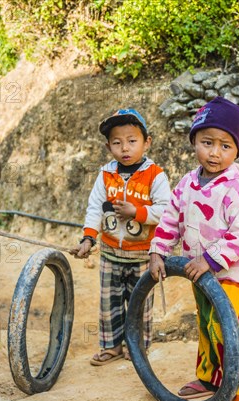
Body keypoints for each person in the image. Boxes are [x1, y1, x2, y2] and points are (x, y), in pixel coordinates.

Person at [148, 97, 239, 401]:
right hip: (199, 274)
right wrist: (158, 250)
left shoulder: (236, 188)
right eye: (207, 142)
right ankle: (209, 378)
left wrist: (211, 258)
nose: (214, 152)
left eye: (225, 145)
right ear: (194, 141)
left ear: (237, 150)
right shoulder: (187, 183)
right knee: (207, 327)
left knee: (230, 333)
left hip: (230, 277)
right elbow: (170, 220)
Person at [69, 108, 171, 366]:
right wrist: (88, 238)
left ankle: (136, 346)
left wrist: (136, 212)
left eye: (132, 141)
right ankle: (112, 346)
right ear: (108, 146)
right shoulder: (105, 175)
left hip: (142, 255)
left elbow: (165, 211)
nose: (125, 148)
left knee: (140, 305)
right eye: (117, 142)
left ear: (147, 142)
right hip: (111, 254)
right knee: (109, 303)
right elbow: (94, 208)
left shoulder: (155, 175)